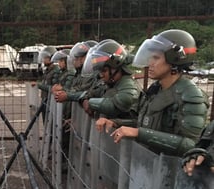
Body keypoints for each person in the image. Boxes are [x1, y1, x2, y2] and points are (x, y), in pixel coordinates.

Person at [96, 29, 208, 157]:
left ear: (175, 58)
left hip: (170, 171)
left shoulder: (191, 96)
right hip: (148, 165)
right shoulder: (156, 89)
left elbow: (190, 145)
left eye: (156, 57)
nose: (150, 63)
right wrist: (116, 123)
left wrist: (139, 133)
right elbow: (144, 124)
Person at [81, 39, 141, 119]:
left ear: (115, 67)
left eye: (104, 71)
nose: (101, 75)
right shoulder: (108, 84)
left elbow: (118, 104)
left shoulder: (128, 85)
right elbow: (89, 93)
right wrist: (85, 100)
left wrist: (91, 103)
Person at [31, 46, 58, 123]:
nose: (43, 60)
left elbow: (53, 88)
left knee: (50, 124)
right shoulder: (48, 70)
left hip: (51, 102)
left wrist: (39, 85)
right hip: (45, 100)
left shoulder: (55, 71)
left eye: (45, 58)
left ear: (51, 58)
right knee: (45, 123)